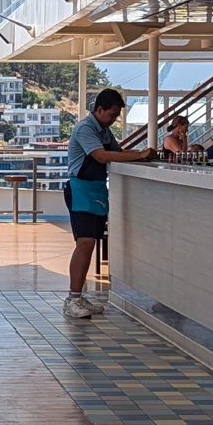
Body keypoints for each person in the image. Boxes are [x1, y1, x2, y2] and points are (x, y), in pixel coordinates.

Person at [64, 87, 158, 319]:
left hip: (96, 190)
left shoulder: (105, 132)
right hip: (80, 189)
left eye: (117, 115)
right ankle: (72, 298)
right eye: (112, 114)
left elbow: (118, 152)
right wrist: (139, 155)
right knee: (84, 243)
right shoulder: (85, 128)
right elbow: (101, 156)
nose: (114, 119)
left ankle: (80, 297)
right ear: (100, 109)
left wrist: (143, 156)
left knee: (91, 243)